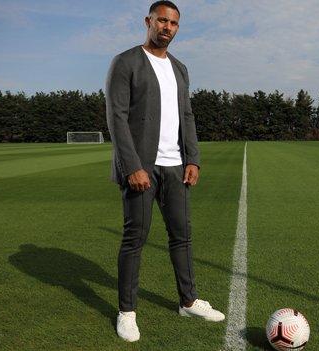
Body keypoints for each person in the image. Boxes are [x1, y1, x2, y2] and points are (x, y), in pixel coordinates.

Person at [105, 0, 224, 343]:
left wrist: (193, 158)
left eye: (173, 23)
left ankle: (188, 301)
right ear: (149, 21)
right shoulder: (126, 62)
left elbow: (187, 115)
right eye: (162, 21)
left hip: (176, 168)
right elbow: (117, 117)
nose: (167, 28)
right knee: (134, 239)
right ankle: (127, 312)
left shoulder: (180, 68)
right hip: (142, 169)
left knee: (182, 236)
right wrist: (132, 166)